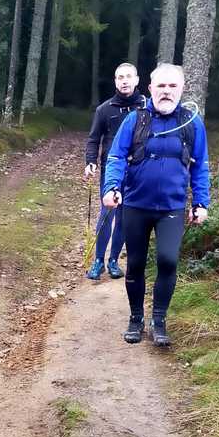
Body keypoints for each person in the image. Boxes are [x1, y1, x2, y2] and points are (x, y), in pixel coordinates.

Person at [102, 63, 210, 347]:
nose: (166, 91)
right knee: (136, 263)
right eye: (161, 85)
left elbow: (201, 166)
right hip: (136, 204)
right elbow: (116, 157)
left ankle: (159, 321)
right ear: (150, 88)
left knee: (168, 260)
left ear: (182, 89)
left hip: (172, 208)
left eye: (172, 86)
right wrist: (112, 188)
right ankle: (136, 318)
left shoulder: (191, 122)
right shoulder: (135, 119)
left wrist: (201, 202)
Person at [84, 62, 146, 280]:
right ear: (115, 81)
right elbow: (93, 139)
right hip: (111, 169)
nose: (125, 81)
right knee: (107, 212)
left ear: (137, 80)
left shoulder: (146, 107)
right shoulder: (104, 109)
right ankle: (98, 261)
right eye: (120, 77)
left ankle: (113, 261)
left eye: (129, 77)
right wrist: (90, 162)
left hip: (137, 170)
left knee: (124, 217)